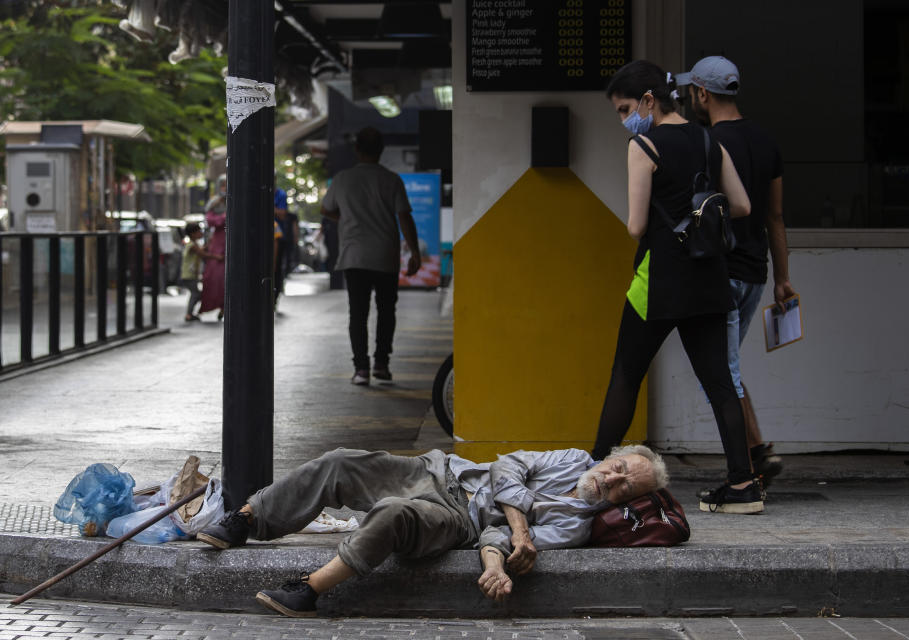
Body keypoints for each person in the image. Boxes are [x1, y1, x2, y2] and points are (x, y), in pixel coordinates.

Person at [196, 444, 668, 617]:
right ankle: (247, 518)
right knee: (340, 462)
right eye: (619, 467)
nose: (612, 481)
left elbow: (495, 536)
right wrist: (521, 524)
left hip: (459, 522)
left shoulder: (575, 527)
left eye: (624, 489)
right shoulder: (571, 459)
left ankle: (308, 590)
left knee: (394, 513)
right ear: (611, 456)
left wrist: (497, 561)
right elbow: (508, 466)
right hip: (443, 473)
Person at [590, 60, 762, 515]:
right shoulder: (709, 139)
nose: (625, 118)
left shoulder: (643, 144)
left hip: (659, 280)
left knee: (626, 377)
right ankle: (743, 486)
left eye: (626, 107)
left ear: (649, 100)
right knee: (721, 382)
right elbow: (741, 204)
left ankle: (589, 478)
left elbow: (636, 225)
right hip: (708, 278)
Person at [677, 56, 796, 485]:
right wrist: (782, 279)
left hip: (720, 273)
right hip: (755, 274)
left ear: (702, 94)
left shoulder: (708, 144)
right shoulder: (767, 141)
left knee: (722, 372)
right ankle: (754, 451)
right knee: (728, 367)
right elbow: (776, 218)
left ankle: (752, 460)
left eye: (693, 91)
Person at [320, 127, 422, 385]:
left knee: (358, 313)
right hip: (385, 254)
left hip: (354, 256)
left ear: (357, 150)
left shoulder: (342, 179)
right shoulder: (391, 179)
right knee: (387, 311)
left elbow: (326, 209)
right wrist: (414, 252)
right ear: (381, 150)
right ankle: (382, 364)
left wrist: (345, 219)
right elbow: (404, 216)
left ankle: (361, 369)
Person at [180, 222, 221, 321]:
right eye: (199, 231)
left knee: (196, 293)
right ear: (193, 233)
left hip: (190, 274)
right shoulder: (192, 245)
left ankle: (190, 313)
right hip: (188, 275)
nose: (201, 233)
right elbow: (203, 254)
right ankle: (189, 314)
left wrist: (210, 244)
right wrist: (217, 257)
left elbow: (202, 250)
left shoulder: (193, 244)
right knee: (196, 294)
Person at [199, 175, 227, 319]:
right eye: (223, 185)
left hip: (230, 241)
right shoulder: (215, 203)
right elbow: (210, 220)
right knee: (215, 277)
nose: (225, 188)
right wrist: (223, 217)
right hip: (217, 244)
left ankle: (226, 306)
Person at [273, 188, 294, 307]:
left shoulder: (281, 194)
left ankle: (274, 297)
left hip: (277, 236)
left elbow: (282, 214)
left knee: (276, 267)